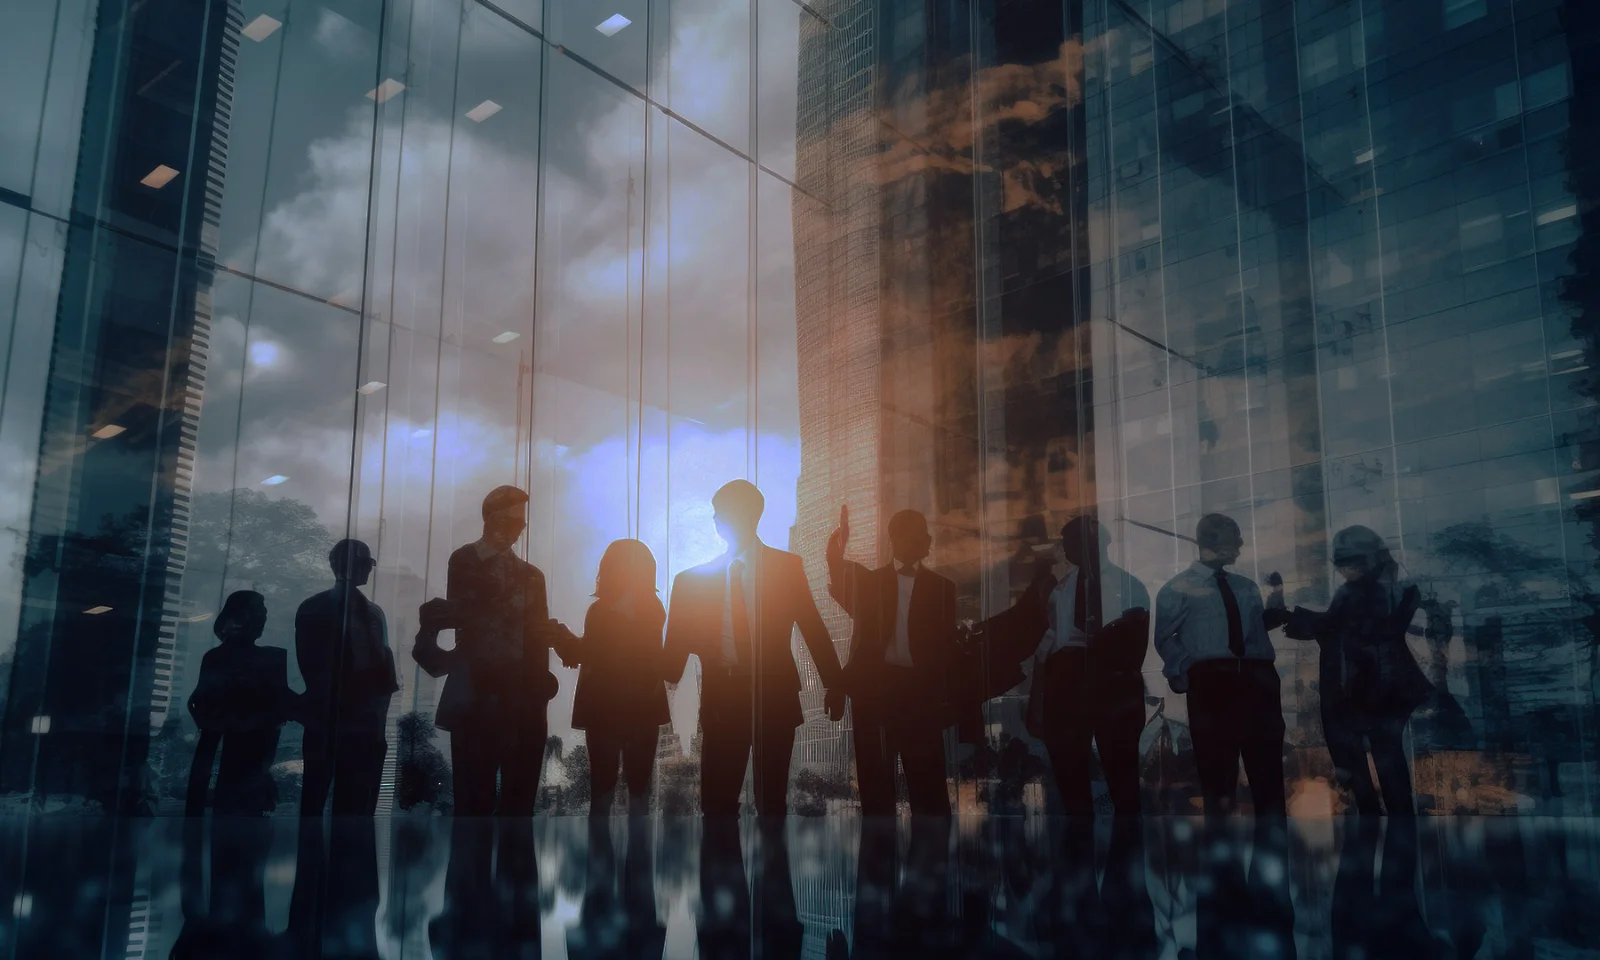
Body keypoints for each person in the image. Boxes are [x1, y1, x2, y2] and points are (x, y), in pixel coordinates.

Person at [663, 479, 847, 817]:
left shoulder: (786, 568)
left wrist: (835, 685)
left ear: (748, 515)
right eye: (715, 515)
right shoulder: (691, 582)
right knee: (717, 804)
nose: (716, 521)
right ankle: (722, 865)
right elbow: (673, 654)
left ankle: (771, 866)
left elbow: (812, 626)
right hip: (724, 698)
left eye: (721, 514)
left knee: (772, 800)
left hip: (772, 696)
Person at [412, 485, 564, 817]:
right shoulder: (465, 560)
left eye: (521, 523)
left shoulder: (532, 576)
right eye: (511, 520)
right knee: (473, 801)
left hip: (521, 701)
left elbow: (535, 639)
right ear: (490, 518)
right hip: (478, 698)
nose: (517, 529)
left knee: (517, 802)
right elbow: (468, 617)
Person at [1285, 525, 1429, 816]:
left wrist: (1294, 620)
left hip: (1364, 688)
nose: (1341, 569)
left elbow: (1334, 627)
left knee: (1362, 764)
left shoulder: (1358, 592)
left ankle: (1381, 823)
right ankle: (1396, 825)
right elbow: (1339, 626)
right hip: (1382, 688)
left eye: (1345, 562)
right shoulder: (1395, 589)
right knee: (1387, 762)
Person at [1153, 514, 1289, 817]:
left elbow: (1251, 631)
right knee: (1217, 772)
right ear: (1210, 542)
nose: (1240, 545)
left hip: (1257, 680)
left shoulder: (1246, 587)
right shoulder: (1179, 589)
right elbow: (1164, 638)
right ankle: (1222, 847)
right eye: (1233, 538)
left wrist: (1275, 608)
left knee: (1266, 769)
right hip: (1213, 683)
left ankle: (1273, 838)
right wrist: (1188, 672)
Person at [826, 505, 958, 816]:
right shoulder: (869, 583)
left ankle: (930, 860)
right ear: (896, 540)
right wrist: (840, 686)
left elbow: (945, 650)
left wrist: (947, 699)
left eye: (926, 536)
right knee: (875, 794)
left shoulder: (943, 589)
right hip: (874, 696)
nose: (927, 542)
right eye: (921, 536)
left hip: (920, 697)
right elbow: (863, 646)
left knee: (929, 795)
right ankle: (878, 858)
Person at [1026, 516, 1150, 815]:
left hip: (1112, 687)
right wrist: (1039, 694)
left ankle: (1125, 842)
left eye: (1075, 543)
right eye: (1067, 545)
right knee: (1071, 774)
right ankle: (1078, 840)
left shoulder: (1128, 585)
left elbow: (1135, 647)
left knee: (1121, 776)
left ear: (1100, 543)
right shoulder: (1062, 589)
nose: (1069, 551)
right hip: (1067, 685)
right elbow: (1050, 642)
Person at [563, 538, 672, 817]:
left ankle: (603, 851)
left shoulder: (602, 611)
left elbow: (599, 652)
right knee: (634, 787)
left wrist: (567, 642)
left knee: (606, 785)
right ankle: (635, 853)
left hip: (607, 707)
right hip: (639, 706)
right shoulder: (651, 607)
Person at [295, 538, 398, 818]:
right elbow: (382, 677)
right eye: (365, 564)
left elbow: (383, 675)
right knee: (341, 807)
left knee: (334, 804)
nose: (368, 570)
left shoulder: (314, 607)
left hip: (345, 721)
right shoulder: (366, 613)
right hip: (345, 721)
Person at [186, 590, 297, 818]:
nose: (264, 616)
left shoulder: (223, 658)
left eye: (263, 611)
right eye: (259, 610)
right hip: (244, 775)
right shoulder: (260, 660)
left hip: (248, 774)